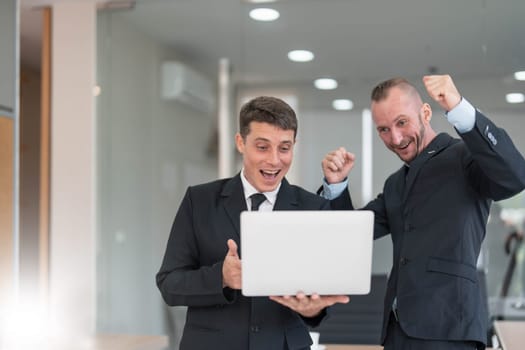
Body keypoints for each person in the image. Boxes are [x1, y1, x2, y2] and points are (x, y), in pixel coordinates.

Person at [322, 75, 525, 349]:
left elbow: (514, 177)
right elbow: (352, 233)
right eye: (383, 129)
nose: (395, 138)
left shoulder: (465, 157)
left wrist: (460, 109)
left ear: (426, 113)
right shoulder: (396, 183)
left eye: (402, 122)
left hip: (449, 329)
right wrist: (336, 186)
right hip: (396, 331)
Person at [156, 96, 349, 350]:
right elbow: (169, 284)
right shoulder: (199, 201)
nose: (274, 160)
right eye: (262, 147)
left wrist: (313, 310)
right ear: (240, 142)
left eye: (284, 148)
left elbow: (324, 299)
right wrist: (221, 278)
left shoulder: (314, 207)